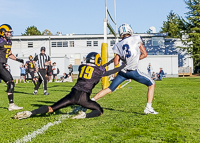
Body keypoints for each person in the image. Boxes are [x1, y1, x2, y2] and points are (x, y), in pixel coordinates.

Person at [14, 52, 126, 120]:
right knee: (99, 111)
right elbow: (109, 71)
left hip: (72, 94)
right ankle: (83, 116)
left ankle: (30, 113)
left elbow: (99, 67)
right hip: (83, 98)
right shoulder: (98, 71)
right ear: (97, 61)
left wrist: (110, 61)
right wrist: (123, 66)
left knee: (51, 108)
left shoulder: (82, 66)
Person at [91, 23, 158, 115]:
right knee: (152, 84)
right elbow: (144, 54)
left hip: (123, 72)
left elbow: (116, 62)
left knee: (110, 88)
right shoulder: (136, 38)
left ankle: (91, 100)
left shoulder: (118, 45)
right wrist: (133, 60)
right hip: (133, 71)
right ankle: (148, 108)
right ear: (130, 30)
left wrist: (126, 61)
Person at [0, 24, 23, 111]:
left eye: (10, 32)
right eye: (8, 32)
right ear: (2, 32)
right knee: (10, 81)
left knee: (10, 82)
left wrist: (18, 59)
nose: (9, 34)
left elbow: (9, 54)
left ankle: (11, 104)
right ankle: (11, 105)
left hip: (2, 64)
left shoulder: (9, 42)